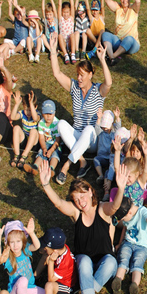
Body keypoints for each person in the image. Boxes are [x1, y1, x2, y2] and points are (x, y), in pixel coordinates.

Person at [38, 159, 130, 294]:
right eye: (76, 199)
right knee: (86, 262)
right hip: (84, 260)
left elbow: (114, 207)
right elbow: (58, 203)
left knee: (112, 262)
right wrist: (46, 184)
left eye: (82, 196)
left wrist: (120, 189)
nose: (81, 202)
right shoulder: (76, 213)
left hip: (105, 260)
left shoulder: (102, 210)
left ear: (90, 191)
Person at [48, 32, 111, 184]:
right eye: (78, 75)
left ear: (90, 75)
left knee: (89, 129)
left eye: (82, 75)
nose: (79, 78)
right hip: (77, 135)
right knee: (61, 123)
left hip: (92, 139)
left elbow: (108, 83)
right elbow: (57, 73)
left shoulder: (98, 90)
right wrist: (52, 51)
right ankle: (82, 161)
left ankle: (66, 166)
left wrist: (102, 60)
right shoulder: (74, 88)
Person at [0, 220, 43, 294]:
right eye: (12, 242)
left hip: (29, 286)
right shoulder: (8, 257)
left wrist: (31, 233)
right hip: (14, 291)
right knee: (23, 280)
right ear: (7, 243)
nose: (15, 246)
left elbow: (37, 246)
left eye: (18, 241)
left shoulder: (25, 250)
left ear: (23, 241)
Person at [102, 0, 141, 65]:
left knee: (129, 39)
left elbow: (138, 1)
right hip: (119, 42)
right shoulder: (118, 8)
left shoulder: (133, 9)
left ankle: (112, 56)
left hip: (132, 45)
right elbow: (107, 0)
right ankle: (112, 58)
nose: (124, 1)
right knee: (105, 35)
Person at [10, 90, 39, 169]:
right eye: (26, 109)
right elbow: (12, 117)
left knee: (33, 131)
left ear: (35, 107)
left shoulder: (37, 114)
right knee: (16, 127)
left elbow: (36, 118)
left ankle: (24, 156)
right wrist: (16, 104)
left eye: (30, 110)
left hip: (33, 143)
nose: (28, 112)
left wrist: (31, 104)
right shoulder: (22, 113)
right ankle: (16, 155)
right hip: (25, 140)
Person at [57, 0, 76, 64]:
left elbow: (72, 5)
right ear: (62, 12)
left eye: (67, 12)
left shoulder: (71, 18)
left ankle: (72, 54)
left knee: (72, 35)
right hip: (63, 43)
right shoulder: (60, 19)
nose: (66, 14)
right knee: (59, 36)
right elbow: (59, 5)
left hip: (70, 41)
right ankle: (65, 55)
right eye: (64, 12)